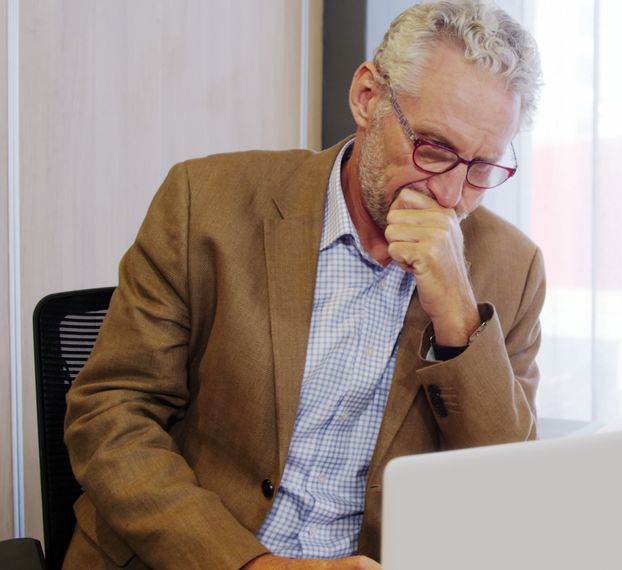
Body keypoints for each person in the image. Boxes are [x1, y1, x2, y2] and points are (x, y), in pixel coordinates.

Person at [62, 1, 544, 568]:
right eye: (434, 149)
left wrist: (460, 318)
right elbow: (110, 414)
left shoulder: (513, 269)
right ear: (368, 98)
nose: (449, 194)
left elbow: (505, 498)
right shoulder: (206, 200)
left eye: (482, 168)